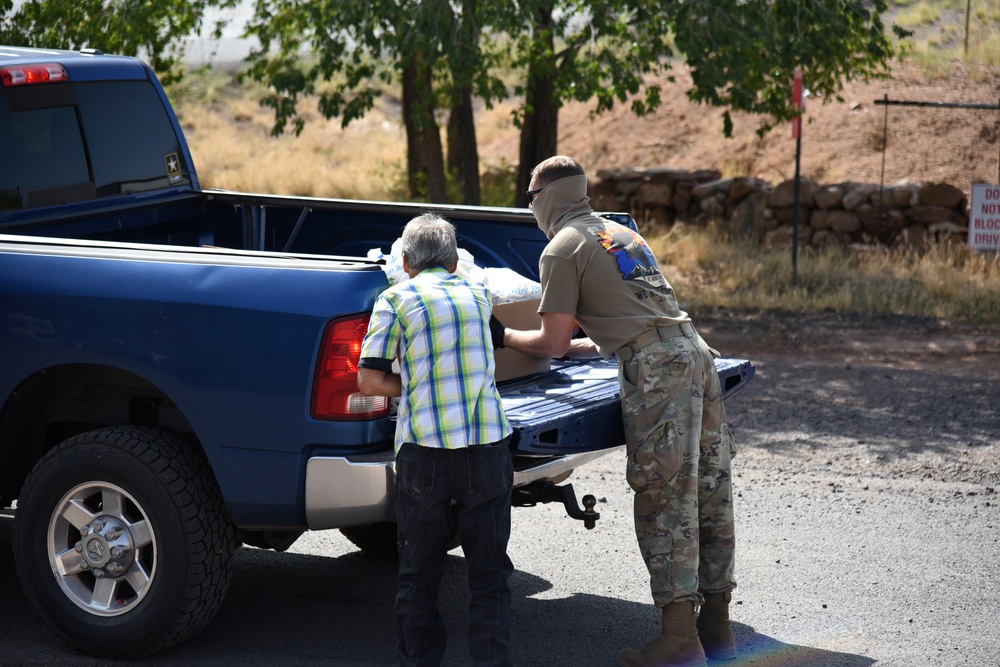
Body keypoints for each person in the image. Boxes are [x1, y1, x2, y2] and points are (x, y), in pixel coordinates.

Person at [496, 156, 738, 667]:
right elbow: (625, 324)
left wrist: (501, 335)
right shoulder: (619, 234)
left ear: (548, 197)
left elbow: (553, 343)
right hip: (694, 353)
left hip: (658, 375)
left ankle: (677, 641)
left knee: (665, 496)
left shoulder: (562, 247)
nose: (531, 205)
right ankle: (716, 629)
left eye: (531, 196)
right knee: (708, 492)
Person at [357, 213, 514, 667]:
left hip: (425, 452)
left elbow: (369, 380)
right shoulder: (479, 294)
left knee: (420, 573)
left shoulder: (396, 299)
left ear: (405, 261)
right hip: (487, 448)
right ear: (453, 260)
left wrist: (417, 386)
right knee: (490, 574)